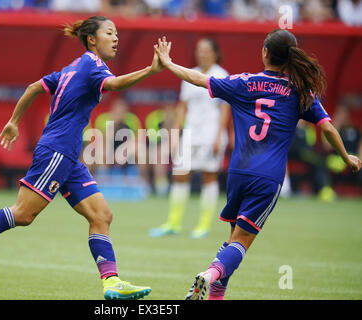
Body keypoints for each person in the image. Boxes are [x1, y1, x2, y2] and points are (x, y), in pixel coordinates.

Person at [0, 16, 166, 300]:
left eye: (117, 33)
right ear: (92, 39)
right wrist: (151, 70)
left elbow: (34, 87)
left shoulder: (72, 67)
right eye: (110, 33)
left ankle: (111, 282)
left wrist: (13, 122)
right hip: (57, 151)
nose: (116, 38)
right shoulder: (93, 65)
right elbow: (116, 84)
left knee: (101, 215)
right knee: (23, 214)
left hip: (68, 157)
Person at [154, 30, 361, 300]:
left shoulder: (245, 83)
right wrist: (347, 157)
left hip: (238, 171)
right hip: (267, 176)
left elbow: (199, 80)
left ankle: (216, 296)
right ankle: (210, 272)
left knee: (232, 239)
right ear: (292, 57)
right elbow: (328, 129)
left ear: (265, 53)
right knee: (241, 242)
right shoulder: (300, 91)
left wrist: (169, 64)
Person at [149, 38, 230, 239]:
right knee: (180, 174)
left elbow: (225, 108)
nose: (201, 53)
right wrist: (176, 132)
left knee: (208, 176)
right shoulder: (190, 74)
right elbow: (182, 106)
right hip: (191, 133)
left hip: (211, 133)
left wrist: (220, 135)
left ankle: (203, 225)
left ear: (215, 53)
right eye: (199, 50)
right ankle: (173, 222)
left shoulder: (221, 76)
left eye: (206, 50)